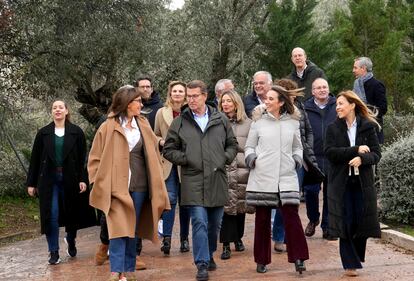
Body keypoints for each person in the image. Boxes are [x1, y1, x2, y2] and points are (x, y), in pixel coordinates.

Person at [88, 85, 170, 281]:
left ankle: (128, 268)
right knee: (117, 228)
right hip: (116, 186)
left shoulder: (143, 123)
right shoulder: (108, 126)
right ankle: (116, 270)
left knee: (132, 229)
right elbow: (94, 157)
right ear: (127, 103)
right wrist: (96, 181)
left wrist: (163, 144)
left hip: (141, 183)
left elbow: (153, 146)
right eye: (138, 101)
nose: (141, 104)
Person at [163, 80, 238, 281]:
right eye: (189, 96)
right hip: (193, 180)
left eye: (195, 96)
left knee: (214, 224)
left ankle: (209, 252)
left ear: (205, 96)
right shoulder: (180, 122)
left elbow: (232, 144)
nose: (191, 100)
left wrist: (225, 158)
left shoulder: (220, 119)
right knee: (199, 222)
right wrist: (186, 159)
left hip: (216, 179)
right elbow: (168, 149)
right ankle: (202, 263)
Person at [245, 85, 309, 274]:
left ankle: (299, 258)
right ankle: (261, 260)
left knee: (292, 216)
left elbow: (298, 147)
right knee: (262, 219)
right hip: (262, 176)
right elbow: (249, 146)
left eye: (271, 99)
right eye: (266, 98)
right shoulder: (258, 122)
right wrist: (252, 158)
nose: (267, 101)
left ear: (281, 102)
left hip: (287, 176)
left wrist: (296, 159)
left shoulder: (293, 122)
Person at [26, 100, 97, 265]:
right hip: (48, 181)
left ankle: (71, 239)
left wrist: (83, 179)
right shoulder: (43, 133)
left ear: (66, 111)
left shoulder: (76, 132)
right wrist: (31, 183)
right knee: (52, 216)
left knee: (71, 214)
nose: (57, 110)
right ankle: (53, 251)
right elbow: (35, 159)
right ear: (52, 112)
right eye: (54, 108)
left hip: (70, 179)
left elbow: (82, 160)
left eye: (60, 107)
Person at [324, 90, 381, 277]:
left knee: (360, 221)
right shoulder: (333, 128)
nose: (337, 107)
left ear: (352, 105)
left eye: (341, 104)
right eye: (337, 104)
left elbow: (376, 154)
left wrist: (362, 160)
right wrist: (355, 151)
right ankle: (350, 263)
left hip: (362, 183)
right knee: (345, 222)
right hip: (341, 183)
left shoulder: (368, 126)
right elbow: (330, 153)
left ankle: (356, 257)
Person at [270, 79, 321, 253]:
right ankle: (279, 237)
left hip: (299, 161)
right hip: (280, 161)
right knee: (282, 200)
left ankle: (288, 236)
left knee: (292, 200)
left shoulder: (300, 108)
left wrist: (306, 148)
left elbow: (309, 131)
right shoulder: (275, 111)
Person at [154, 81, 191, 255]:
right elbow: (155, 134)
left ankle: (184, 239)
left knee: (186, 202)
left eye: (180, 91)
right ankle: (167, 239)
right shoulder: (162, 112)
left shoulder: (190, 112)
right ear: (170, 93)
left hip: (187, 161)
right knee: (170, 199)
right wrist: (161, 142)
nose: (177, 93)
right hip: (168, 161)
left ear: (185, 94)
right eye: (174, 91)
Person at [217, 90, 254, 260]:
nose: (225, 104)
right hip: (224, 169)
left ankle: (238, 238)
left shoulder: (249, 123)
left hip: (242, 169)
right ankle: (225, 244)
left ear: (236, 103)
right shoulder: (216, 122)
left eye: (229, 101)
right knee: (226, 208)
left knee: (240, 207)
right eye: (223, 101)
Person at [303, 78, 337, 240]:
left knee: (331, 193)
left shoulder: (337, 105)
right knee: (310, 191)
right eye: (318, 88)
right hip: (313, 157)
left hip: (333, 156)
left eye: (325, 87)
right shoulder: (305, 108)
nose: (322, 90)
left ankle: (328, 227)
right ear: (313, 91)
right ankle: (313, 218)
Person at [352, 57, 387, 143]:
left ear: (363, 68)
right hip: (358, 130)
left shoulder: (377, 85)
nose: (353, 70)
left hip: (373, 131)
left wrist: (364, 110)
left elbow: (383, 109)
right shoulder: (357, 85)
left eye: (355, 68)